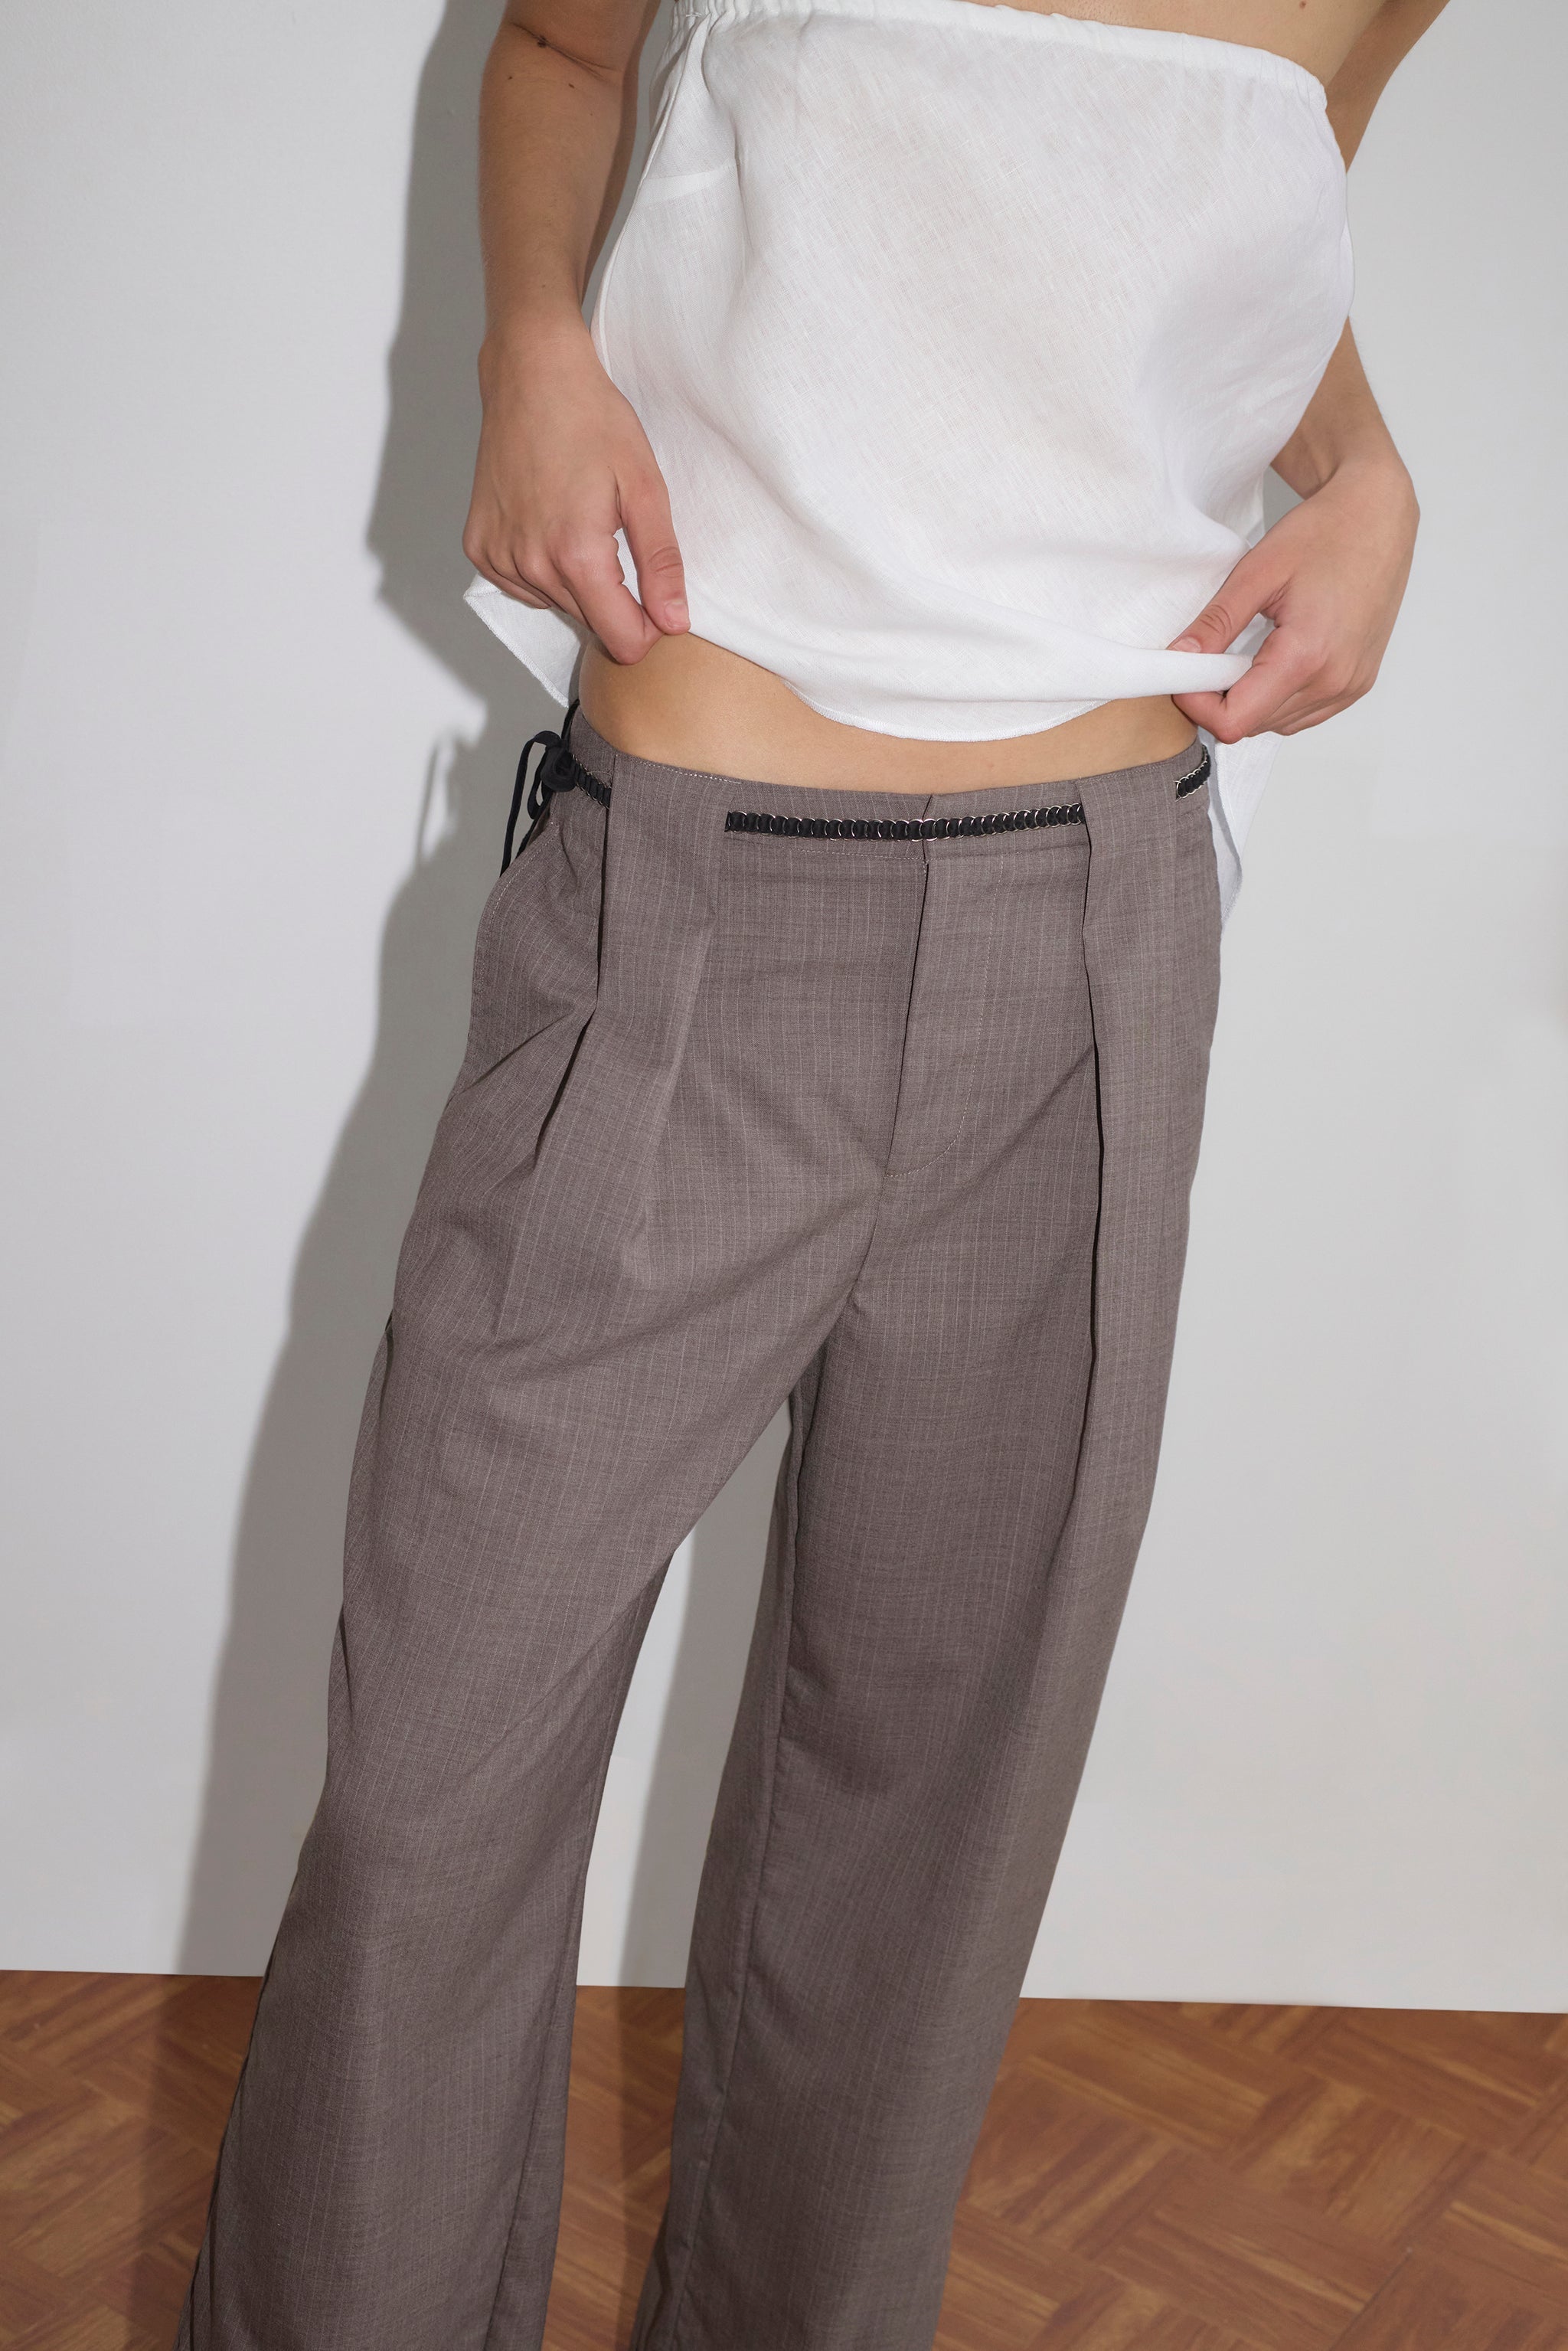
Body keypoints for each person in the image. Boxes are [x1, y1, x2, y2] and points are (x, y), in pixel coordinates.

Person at [177, 2, 1450, 2346]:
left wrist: (1366, 469)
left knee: (924, 1829)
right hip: (679, 907)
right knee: (431, 1792)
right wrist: (533, 343)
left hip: (1093, 939)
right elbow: (561, 45)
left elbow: (1241, 227)